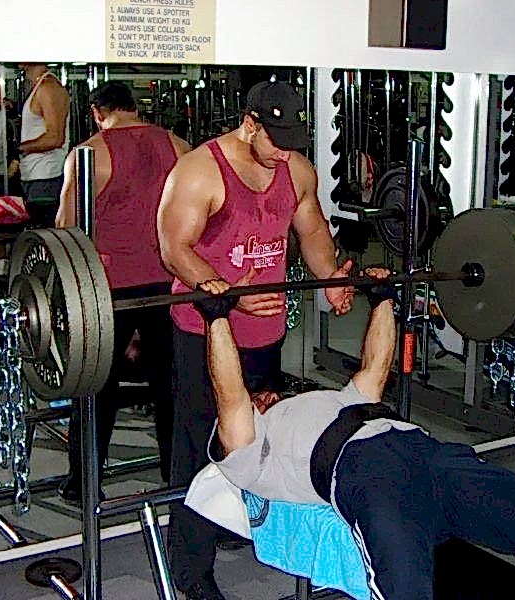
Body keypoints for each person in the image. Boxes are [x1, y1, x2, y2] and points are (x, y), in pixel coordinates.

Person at [196, 269, 515, 600]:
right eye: (257, 398)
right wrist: (218, 317)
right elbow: (231, 396)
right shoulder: (251, 449)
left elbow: (376, 367)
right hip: (370, 477)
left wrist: (383, 299)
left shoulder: (332, 399)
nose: (265, 395)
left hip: (434, 454)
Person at [157, 80, 354, 599]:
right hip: (206, 331)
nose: (284, 152)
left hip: (265, 332)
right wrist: (224, 293)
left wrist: (330, 278)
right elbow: (174, 247)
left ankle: (238, 520)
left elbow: (312, 230)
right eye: (276, 140)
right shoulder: (200, 170)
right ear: (250, 124)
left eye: (292, 142)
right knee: (200, 448)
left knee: (258, 437)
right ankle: (190, 570)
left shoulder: (296, 170)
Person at [55, 81, 190, 502]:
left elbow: (65, 227)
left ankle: (83, 483)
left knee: (96, 384)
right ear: (135, 108)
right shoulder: (179, 146)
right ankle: (177, 476)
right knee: (172, 384)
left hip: (110, 288)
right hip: (168, 282)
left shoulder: (89, 153)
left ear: (98, 112)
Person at [18, 63, 70, 227]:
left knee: (44, 234)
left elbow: (55, 138)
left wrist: (19, 148)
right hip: (35, 176)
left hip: (46, 177)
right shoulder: (39, 86)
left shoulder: (48, 88)